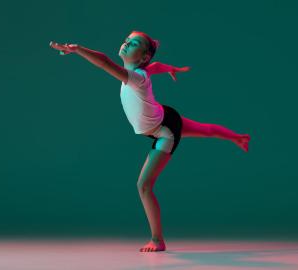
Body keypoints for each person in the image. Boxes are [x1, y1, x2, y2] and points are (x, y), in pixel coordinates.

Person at [49, 30, 251, 252]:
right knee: (204, 130)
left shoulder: (136, 78)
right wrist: (169, 69)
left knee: (144, 186)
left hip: (165, 131)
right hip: (165, 116)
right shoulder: (138, 72)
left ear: (143, 56)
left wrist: (77, 49)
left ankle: (157, 240)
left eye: (133, 43)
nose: (126, 44)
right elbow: (154, 67)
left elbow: (104, 62)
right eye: (126, 40)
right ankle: (238, 137)